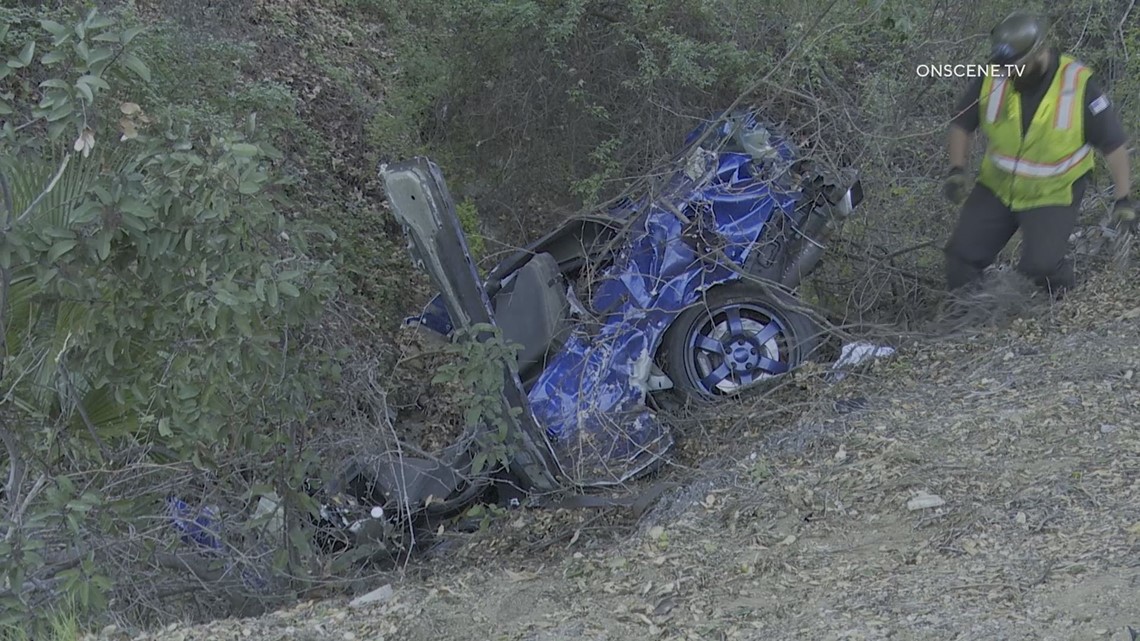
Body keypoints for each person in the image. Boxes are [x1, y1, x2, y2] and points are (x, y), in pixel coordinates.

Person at [941, 10, 1134, 297]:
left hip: (1053, 192)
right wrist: (956, 169)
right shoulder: (995, 75)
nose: (1009, 74)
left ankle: (1064, 302)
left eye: (1016, 67)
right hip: (997, 187)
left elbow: (1114, 144)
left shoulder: (1078, 85)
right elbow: (962, 122)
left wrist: (1123, 199)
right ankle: (971, 313)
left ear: (1038, 54)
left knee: (1041, 267)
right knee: (960, 256)